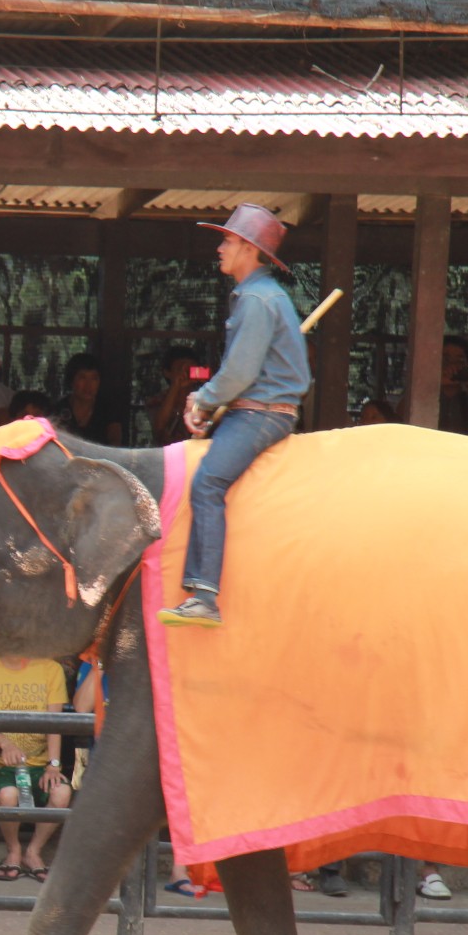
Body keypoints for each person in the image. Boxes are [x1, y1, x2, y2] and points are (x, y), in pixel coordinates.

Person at [158, 204, 310, 629]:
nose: (220, 247)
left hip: (260, 415)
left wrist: (202, 400)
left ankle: (204, 595)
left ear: (247, 247)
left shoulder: (258, 299)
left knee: (207, 483)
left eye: (227, 240)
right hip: (255, 411)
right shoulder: (261, 295)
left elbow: (241, 372)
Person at [0, 653, 72, 881]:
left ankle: (33, 852)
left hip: (41, 763)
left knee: (61, 792)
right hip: (0, 765)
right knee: (8, 795)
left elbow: (55, 723)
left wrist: (53, 765)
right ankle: (13, 850)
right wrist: (5, 744)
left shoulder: (50, 668)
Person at [54, 352, 121, 446]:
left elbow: (115, 443)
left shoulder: (108, 410)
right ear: (71, 380)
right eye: (82, 377)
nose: (88, 385)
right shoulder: (58, 409)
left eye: (94, 378)